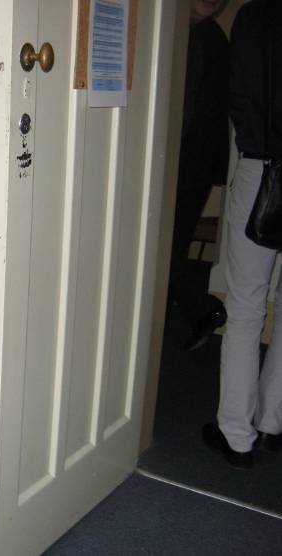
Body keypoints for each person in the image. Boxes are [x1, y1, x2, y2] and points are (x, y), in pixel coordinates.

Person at [202, 0, 282, 469]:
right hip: (265, 162)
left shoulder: (257, 16)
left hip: (264, 167)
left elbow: (244, 97)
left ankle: (238, 434)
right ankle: (273, 423)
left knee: (248, 305)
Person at [168, 0, 230, 352]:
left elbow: (190, 112)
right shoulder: (208, 39)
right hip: (194, 165)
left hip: (186, 165)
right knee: (170, 250)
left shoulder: (202, 41)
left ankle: (204, 310)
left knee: (165, 253)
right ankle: (198, 312)